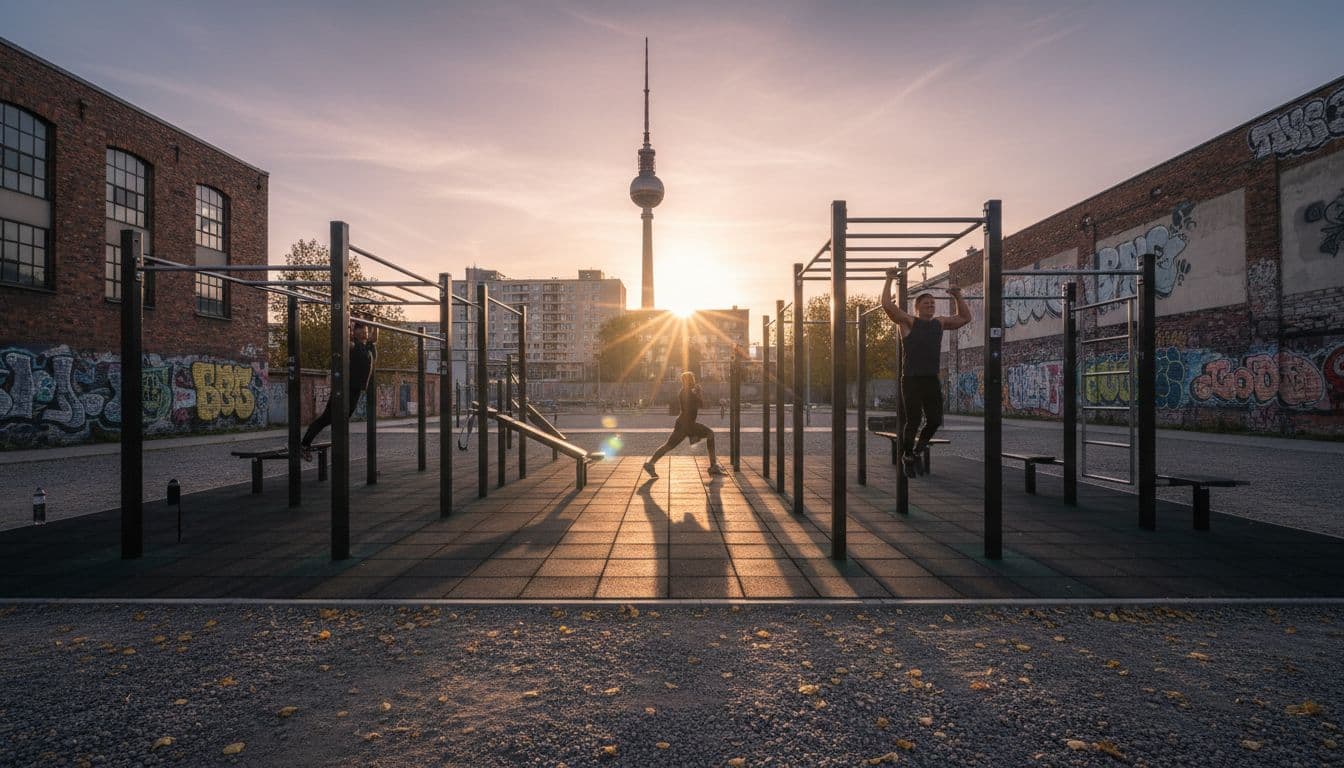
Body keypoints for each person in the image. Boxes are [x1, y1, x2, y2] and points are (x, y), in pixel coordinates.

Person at [881, 270, 971, 478]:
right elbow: (887, 305)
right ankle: (907, 456)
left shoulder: (939, 323)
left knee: (935, 419)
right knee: (913, 420)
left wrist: (957, 296)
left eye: (932, 303)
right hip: (911, 379)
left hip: (931, 378)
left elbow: (965, 318)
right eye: (926, 303)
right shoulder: (908, 322)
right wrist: (889, 279)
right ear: (917, 307)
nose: (930, 305)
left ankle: (916, 452)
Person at [301, 319, 378, 461]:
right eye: (362, 330)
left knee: (343, 417)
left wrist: (374, 321)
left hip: (356, 389)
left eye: (366, 330)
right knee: (327, 418)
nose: (365, 333)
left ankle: (327, 445)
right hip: (344, 388)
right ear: (355, 332)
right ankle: (304, 444)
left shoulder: (367, 345)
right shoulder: (353, 345)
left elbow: (374, 337)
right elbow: (344, 340)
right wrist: (349, 324)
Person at [643, 371, 725, 478]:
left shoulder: (685, 392)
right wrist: (698, 393)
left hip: (683, 424)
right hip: (687, 424)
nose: (694, 382)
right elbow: (702, 404)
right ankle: (713, 466)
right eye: (692, 380)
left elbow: (698, 404)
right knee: (710, 434)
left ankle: (650, 464)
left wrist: (697, 393)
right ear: (688, 381)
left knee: (668, 446)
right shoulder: (688, 393)